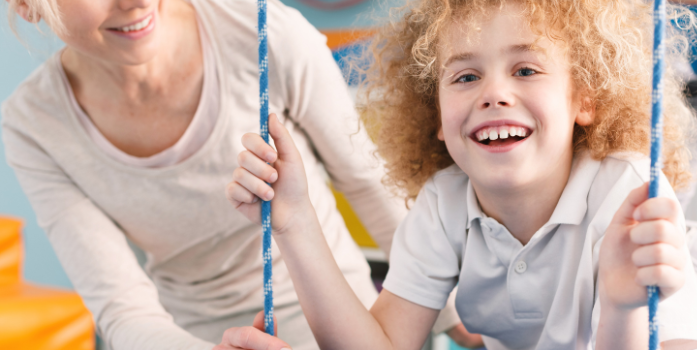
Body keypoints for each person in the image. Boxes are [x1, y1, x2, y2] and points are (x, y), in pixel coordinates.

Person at [226, 0, 697, 349]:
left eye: (527, 70)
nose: (494, 94)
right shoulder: (444, 205)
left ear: (583, 101)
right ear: (436, 117)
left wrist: (619, 304)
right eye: (465, 77)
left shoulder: (624, 192)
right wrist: (297, 221)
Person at [1, 0, 479, 348]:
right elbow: (123, 310)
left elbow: (370, 184)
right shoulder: (33, 125)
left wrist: (455, 309)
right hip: (184, 336)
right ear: (27, 5)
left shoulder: (266, 33)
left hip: (338, 322)